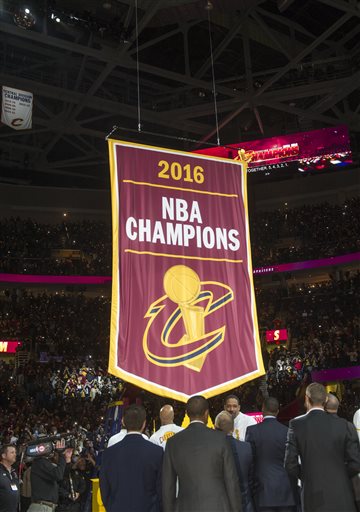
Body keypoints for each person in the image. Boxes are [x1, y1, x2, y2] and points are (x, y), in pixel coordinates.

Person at [285, 382, 360, 512]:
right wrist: (340, 475)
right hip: (342, 496)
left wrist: (308, 476)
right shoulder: (344, 425)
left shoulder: (296, 425)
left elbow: (289, 464)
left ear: (307, 399)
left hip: (313, 497)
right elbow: (355, 463)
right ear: (325, 400)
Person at [162, 395, 242, 512]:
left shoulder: (173, 442)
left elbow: (168, 486)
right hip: (218, 506)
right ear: (206, 413)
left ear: (187, 413)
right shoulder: (220, 438)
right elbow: (231, 480)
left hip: (185, 507)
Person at [100, 404, 163, 512]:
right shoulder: (157, 452)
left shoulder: (109, 453)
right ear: (144, 424)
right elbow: (161, 488)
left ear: (123, 421)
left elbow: (104, 489)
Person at [245, 397, 297, 512]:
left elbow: (250, 461)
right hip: (286, 492)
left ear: (262, 409)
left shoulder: (252, 431)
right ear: (278, 411)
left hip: (262, 491)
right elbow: (292, 461)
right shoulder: (287, 431)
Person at [215, 410, 255, 512]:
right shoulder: (247, 447)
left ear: (215, 428)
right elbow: (251, 477)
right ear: (233, 428)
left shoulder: (211, 449)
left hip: (220, 504)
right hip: (245, 503)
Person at [28, 442, 73, 512]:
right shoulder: (40, 462)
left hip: (47, 507)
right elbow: (58, 475)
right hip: (41, 507)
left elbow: (62, 476)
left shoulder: (46, 464)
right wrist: (61, 454)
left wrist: (67, 459)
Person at [0, 444, 19, 512]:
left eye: (15, 452)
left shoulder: (14, 472)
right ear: (4, 456)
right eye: (12, 452)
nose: (15, 454)